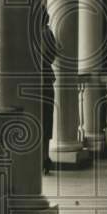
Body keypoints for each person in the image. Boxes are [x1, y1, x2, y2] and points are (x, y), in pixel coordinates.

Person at [40, 9, 60, 175]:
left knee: (38, 121)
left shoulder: (33, 34)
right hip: (46, 81)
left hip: (36, 81)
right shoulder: (48, 33)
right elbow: (53, 54)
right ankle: (45, 157)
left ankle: (39, 158)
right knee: (46, 121)